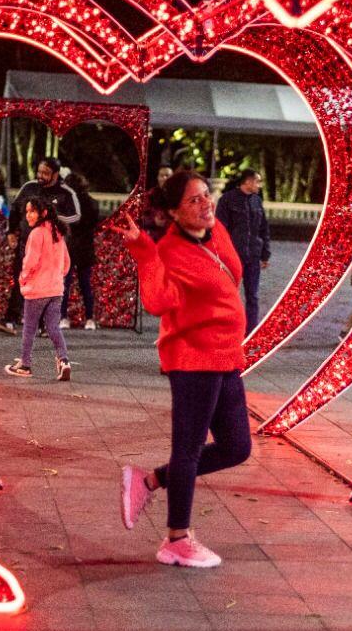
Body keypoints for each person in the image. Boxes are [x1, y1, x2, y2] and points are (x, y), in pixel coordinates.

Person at [113, 170, 252, 569]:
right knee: (188, 450)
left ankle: (150, 481)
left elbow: (232, 276)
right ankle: (177, 538)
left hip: (226, 356)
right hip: (194, 358)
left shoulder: (216, 231)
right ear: (173, 212)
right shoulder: (169, 252)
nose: (206, 204)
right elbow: (157, 301)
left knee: (237, 446)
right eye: (194, 200)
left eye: (206, 195)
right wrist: (144, 251)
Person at [0, 158, 81, 334]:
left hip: (50, 249)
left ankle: (45, 326)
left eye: (46, 173)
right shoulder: (29, 187)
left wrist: (52, 216)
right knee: (22, 279)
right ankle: (10, 320)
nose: (41, 176)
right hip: (27, 245)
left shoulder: (66, 193)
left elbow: (76, 216)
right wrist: (11, 232)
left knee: (45, 286)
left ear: (55, 175)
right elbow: (14, 208)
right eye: (39, 172)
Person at [5, 196, 73, 381]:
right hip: (56, 289)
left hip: (37, 289)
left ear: (42, 213)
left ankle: (25, 364)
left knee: (29, 328)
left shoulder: (36, 234)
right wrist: (57, 277)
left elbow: (30, 262)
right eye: (26, 211)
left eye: (31, 211)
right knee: (53, 327)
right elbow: (66, 263)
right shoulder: (58, 233)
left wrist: (23, 279)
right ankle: (64, 360)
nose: (28, 215)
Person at [215, 169, 272, 330]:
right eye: (257, 181)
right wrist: (222, 254)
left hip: (253, 255)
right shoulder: (227, 200)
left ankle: (251, 330)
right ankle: (226, 327)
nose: (259, 185)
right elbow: (220, 229)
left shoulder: (257, 201)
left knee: (253, 296)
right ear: (247, 182)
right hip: (233, 256)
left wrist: (265, 254)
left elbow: (263, 228)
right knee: (229, 294)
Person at [61, 171, 101, 329]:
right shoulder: (93, 203)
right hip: (86, 247)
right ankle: (90, 319)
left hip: (70, 247)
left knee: (65, 285)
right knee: (85, 285)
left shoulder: (68, 203)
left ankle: (64, 318)